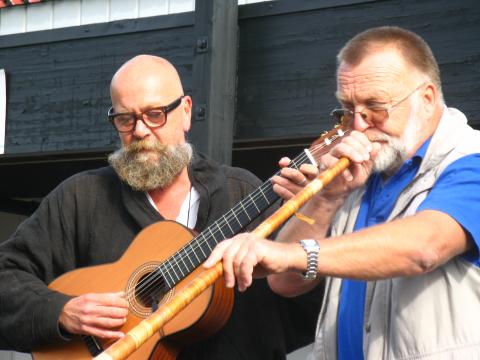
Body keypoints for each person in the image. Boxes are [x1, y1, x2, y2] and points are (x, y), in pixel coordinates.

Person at [0, 55, 321, 359]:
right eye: (125, 119)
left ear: (185, 112)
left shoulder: (243, 192)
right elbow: (6, 275)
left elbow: (298, 300)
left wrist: (314, 210)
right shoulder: (81, 198)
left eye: (155, 114)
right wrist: (60, 311)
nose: (140, 131)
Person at [205, 26, 480, 359]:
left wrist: (292, 253)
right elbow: (285, 283)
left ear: (426, 99)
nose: (358, 126)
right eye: (347, 110)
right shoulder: (361, 170)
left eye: (375, 108)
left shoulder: (469, 158)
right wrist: (326, 198)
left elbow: (424, 247)